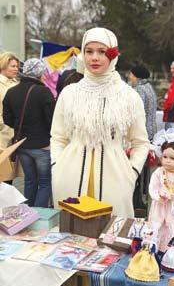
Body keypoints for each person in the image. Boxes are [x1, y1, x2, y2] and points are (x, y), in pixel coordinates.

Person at [50, 27, 150, 217]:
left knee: (112, 236)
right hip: (68, 178)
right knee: (70, 238)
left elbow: (140, 142)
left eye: (102, 52)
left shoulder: (128, 96)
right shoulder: (70, 93)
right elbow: (58, 136)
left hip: (115, 180)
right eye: (89, 51)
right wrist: (56, 166)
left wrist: (131, 173)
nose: (94, 58)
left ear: (113, 54)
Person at [3, 58, 55, 207]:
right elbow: (51, 120)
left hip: (22, 144)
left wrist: (22, 126)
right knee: (45, 182)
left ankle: (27, 213)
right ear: (40, 73)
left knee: (30, 180)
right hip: (42, 145)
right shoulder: (44, 92)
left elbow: (7, 119)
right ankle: (38, 216)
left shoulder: (11, 92)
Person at [0, 52, 19, 183]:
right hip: (2, 135)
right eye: (13, 66)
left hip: (15, 134)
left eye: (17, 66)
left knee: (10, 175)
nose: (16, 69)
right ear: (3, 66)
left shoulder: (17, 83)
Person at [128, 64, 157, 141]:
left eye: (130, 74)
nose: (129, 77)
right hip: (151, 128)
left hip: (142, 130)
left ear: (136, 76)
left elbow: (137, 110)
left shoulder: (139, 89)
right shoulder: (148, 86)